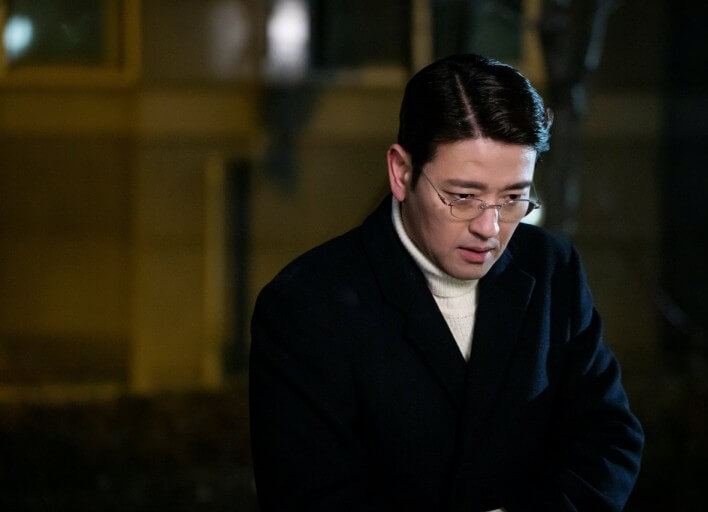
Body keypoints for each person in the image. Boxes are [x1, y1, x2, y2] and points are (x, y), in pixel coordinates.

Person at [249, 54, 643, 512]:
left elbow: (608, 438)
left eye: (513, 198)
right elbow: (309, 497)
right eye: (463, 197)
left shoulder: (553, 268)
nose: (489, 229)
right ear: (401, 172)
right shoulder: (305, 304)